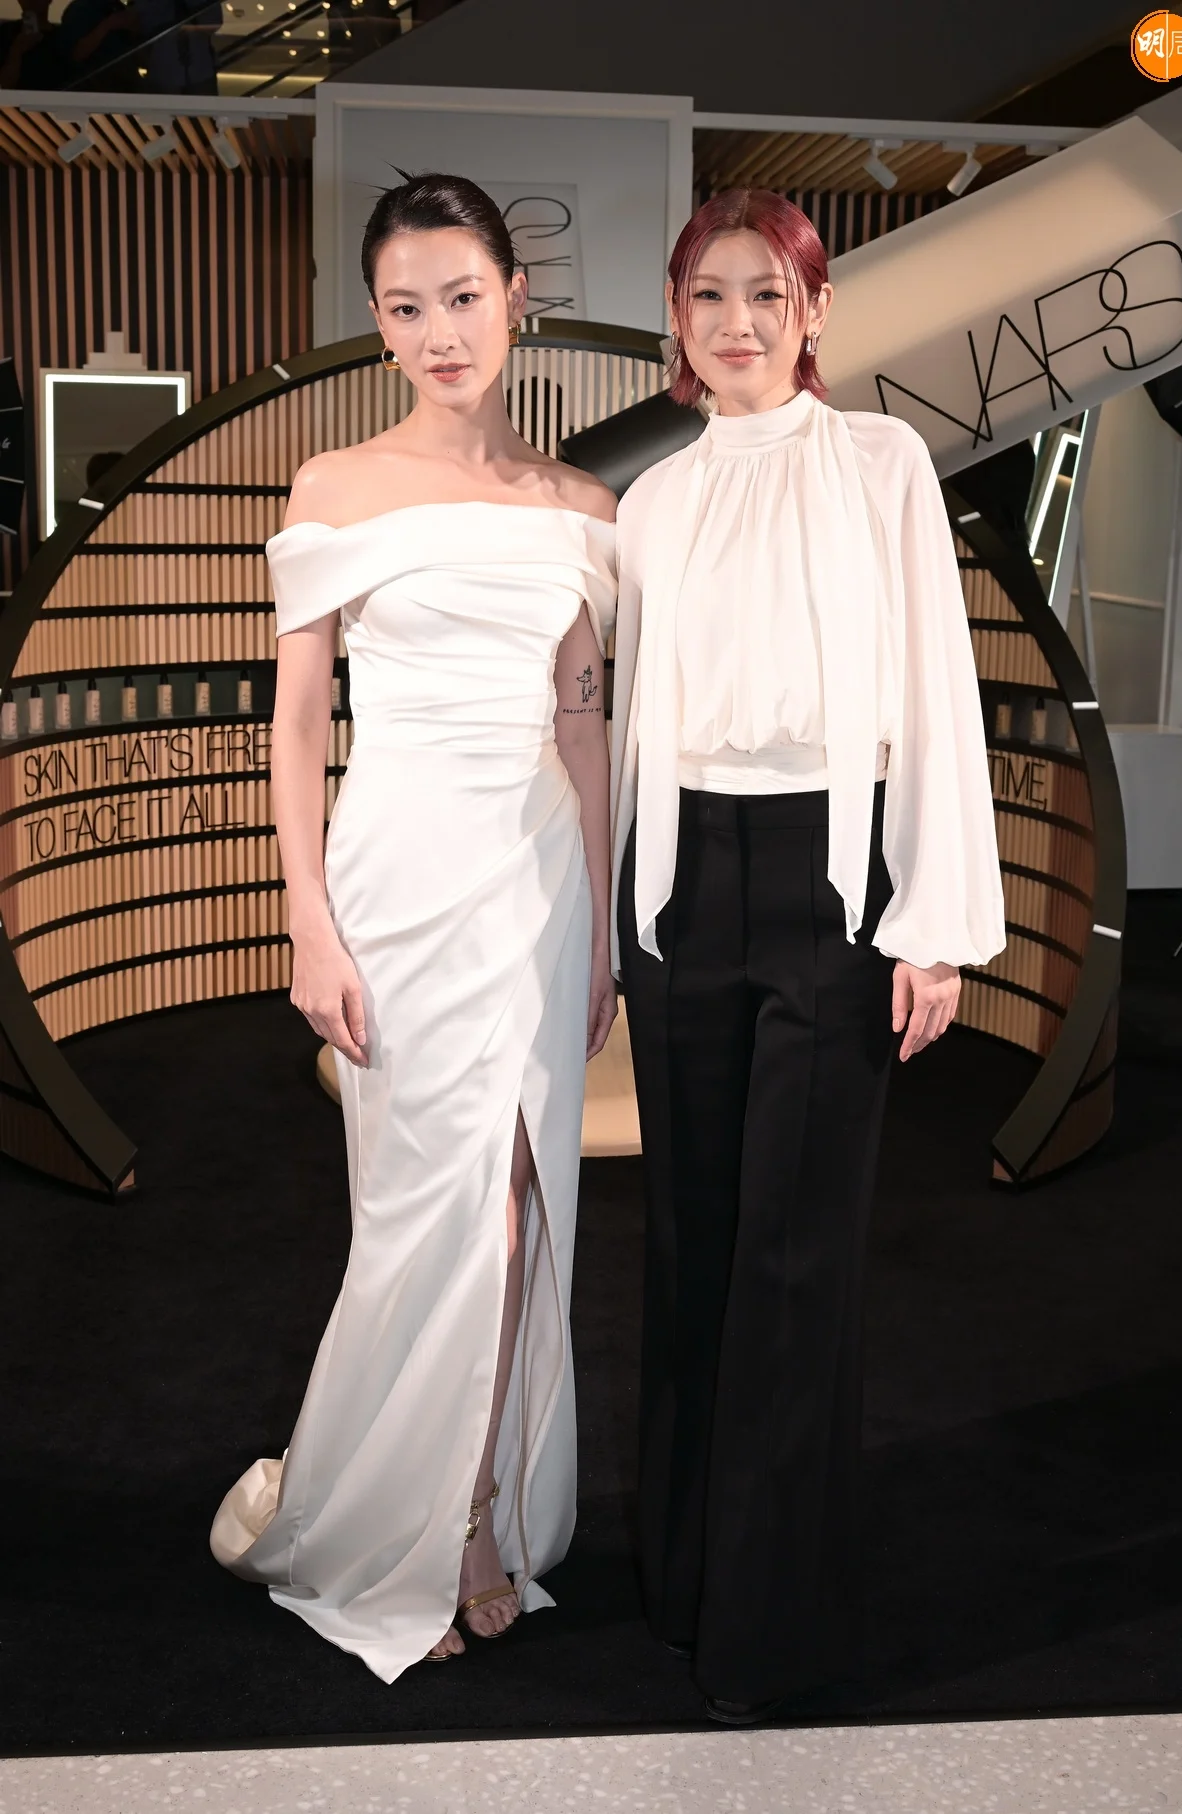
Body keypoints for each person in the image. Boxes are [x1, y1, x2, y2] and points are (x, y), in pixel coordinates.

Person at [210, 172, 618, 1679]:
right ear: (378, 325)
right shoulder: (333, 486)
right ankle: (398, 1513)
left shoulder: (582, 508)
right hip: (395, 873)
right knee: (424, 1212)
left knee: (519, 1202)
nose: (440, 331)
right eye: (406, 307)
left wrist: (604, 926)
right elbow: (295, 723)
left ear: (516, 299)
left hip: (539, 878)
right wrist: (307, 925)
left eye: (462, 297)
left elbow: (581, 723)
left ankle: (473, 1513)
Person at [610, 188, 1006, 1726]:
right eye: (707, 296)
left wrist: (935, 923)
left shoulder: (882, 463)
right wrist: (620, 923)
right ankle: (684, 1580)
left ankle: (771, 1625)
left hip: (832, 887)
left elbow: (936, 689)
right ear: (676, 320)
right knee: (690, 1241)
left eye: (764, 294)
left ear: (813, 312)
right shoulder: (651, 500)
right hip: (681, 885)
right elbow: (627, 726)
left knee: (794, 1253)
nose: (735, 323)